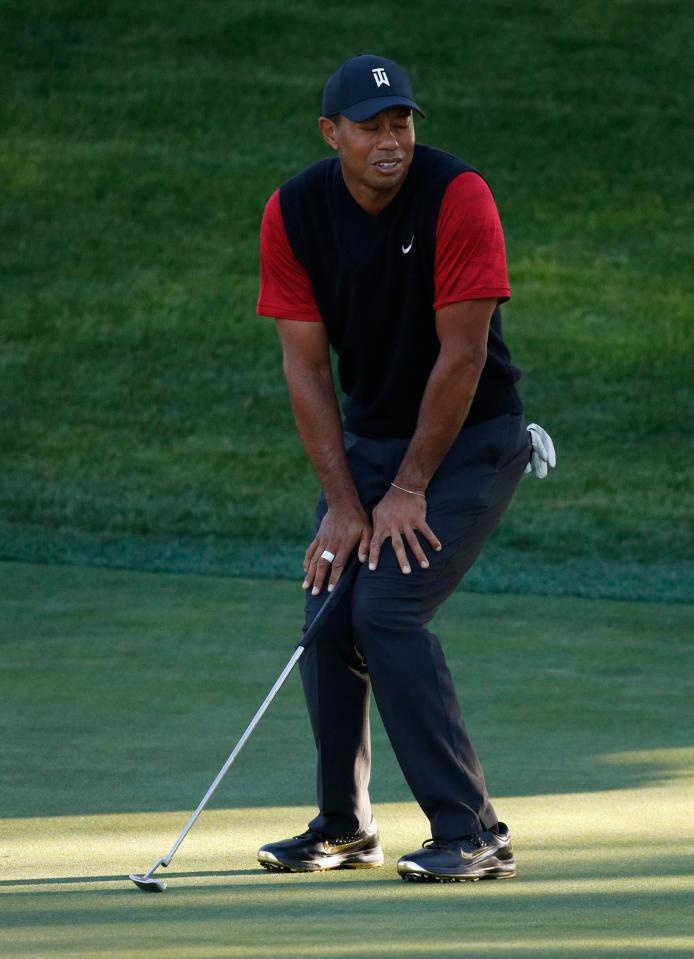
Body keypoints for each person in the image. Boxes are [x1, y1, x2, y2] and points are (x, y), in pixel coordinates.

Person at [255, 54, 555, 882]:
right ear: (332, 133)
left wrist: (410, 489)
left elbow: (462, 359)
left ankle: (474, 830)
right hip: (375, 443)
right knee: (328, 600)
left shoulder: (459, 197)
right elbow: (307, 370)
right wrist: (344, 503)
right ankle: (346, 826)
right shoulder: (295, 212)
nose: (391, 141)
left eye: (402, 123)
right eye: (371, 126)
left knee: (385, 609)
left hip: (472, 438)